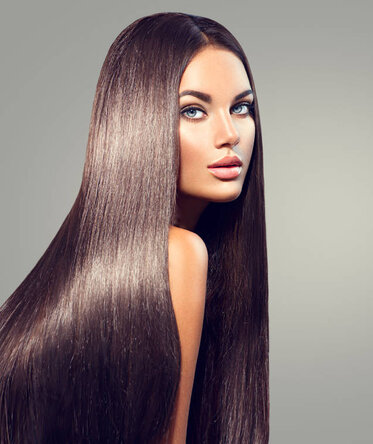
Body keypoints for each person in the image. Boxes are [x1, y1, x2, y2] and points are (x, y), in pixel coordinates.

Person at [0, 12, 269, 444]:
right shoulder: (178, 253)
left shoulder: (97, 262)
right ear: (140, 121)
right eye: (193, 111)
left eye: (241, 107)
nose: (230, 134)